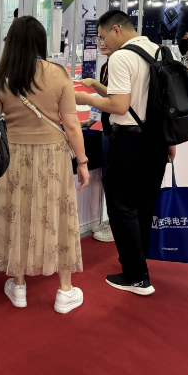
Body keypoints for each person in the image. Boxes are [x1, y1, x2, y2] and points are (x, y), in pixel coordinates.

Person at [0, 16, 90, 315]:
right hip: (53, 155)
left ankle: (18, 286)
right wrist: (82, 161)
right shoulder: (58, 74)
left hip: (13, 156)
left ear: (11, 43)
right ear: (41, 41)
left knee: (17, 215)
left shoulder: (1, 78)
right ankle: (65, 291)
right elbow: (71, 124)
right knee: (59, 215)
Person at [74, 10, 174, 296]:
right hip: (158, 140)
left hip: (129, 140)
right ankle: (140, 266)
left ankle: (135, 275)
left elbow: (119, 106)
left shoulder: (121, 57)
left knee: (121, 207)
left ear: (116, 29)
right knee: (144, 205)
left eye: (103, 36)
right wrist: (171, 141)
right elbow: (161, 102)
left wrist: (86, 98)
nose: (103, 42)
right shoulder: (159, 51)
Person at [80, 39, 114, 243]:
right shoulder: (106, 66)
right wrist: (92, 121)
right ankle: (112, 220)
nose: (102, 43)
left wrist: (93, 84)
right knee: (107, 178)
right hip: (108, 130)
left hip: (122, 131)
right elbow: (103, 100)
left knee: (115, 179)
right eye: (99, 39)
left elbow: (114, 98)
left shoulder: (121, 64)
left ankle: (116, 225)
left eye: (105, 38)